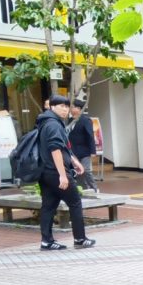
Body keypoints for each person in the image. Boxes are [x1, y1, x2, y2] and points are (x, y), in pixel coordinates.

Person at [36, 95, 95, 251]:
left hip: (45, 172)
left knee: (48, 206)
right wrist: (62, 175)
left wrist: (74, 161)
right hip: (56, 172)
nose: (65, 109)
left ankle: (47, 241)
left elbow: (63, 148)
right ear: (52, 107)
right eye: (61, 106)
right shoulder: (53, 124)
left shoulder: (45, 122)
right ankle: (80, 239)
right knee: (75, 202)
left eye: (67, 106)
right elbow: (55, 150)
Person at [68, 100, 97, 192]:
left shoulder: (86, 120)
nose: (70, 109)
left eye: (72, 107)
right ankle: (83, 189)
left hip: (84, 150)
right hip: (73, 151)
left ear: (79, 109)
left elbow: (90, 135)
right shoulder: (70, 120)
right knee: (78, 170)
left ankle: (94, 188)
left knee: (86, 170)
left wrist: (93, 151)